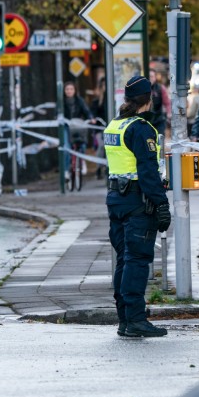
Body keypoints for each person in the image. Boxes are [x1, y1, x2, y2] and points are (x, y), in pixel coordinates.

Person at [104, 75, 171, 338]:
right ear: (148, 99)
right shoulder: (141, 129)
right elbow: (148, 172)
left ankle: (124, 319)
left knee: (124, 261)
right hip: (137, 203)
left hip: (116, 201)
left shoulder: (115, 125)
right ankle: (136, 320)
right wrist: (161, 204)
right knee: (137, 261)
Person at [62, 82, 95, 176]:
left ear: (75, 90)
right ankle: (66, 170)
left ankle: (82, 160)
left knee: (82, 144)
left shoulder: (80, 100)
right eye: (67, 89)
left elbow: (86, 111)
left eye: (71, 89)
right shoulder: (61, 102)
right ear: (64, 91)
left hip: (78, 126)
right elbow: (58, 113)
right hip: (66, 126)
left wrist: (91, 118)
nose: (69, 91)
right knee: (66, 148)